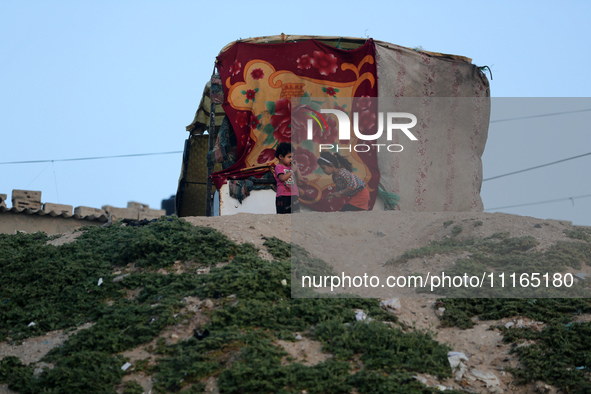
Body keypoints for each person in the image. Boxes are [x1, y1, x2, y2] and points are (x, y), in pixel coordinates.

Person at [274, 142, 301, 214]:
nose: (291, 159)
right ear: (281, 156)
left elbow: (300, 179)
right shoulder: (279, 167)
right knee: (283, 216)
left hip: (294, 195)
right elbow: (282, 178)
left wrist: (296, 168)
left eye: (292, 157)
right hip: (283, 196)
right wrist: (292, 171)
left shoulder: (291, 167)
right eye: (289, 157)